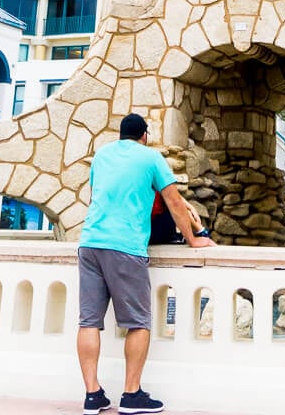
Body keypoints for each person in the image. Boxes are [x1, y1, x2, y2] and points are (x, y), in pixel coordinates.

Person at [77, 112, 213, 415]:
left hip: (89, 243)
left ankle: (92, 395)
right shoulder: (150, 158)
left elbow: (96, 195)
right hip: (124, 247)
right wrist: (194, 240)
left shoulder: (101, 156)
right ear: (144, 135)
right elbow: (175, 202)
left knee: (88, 321)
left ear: (120, 134)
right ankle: (131, 395)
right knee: (138, 322)